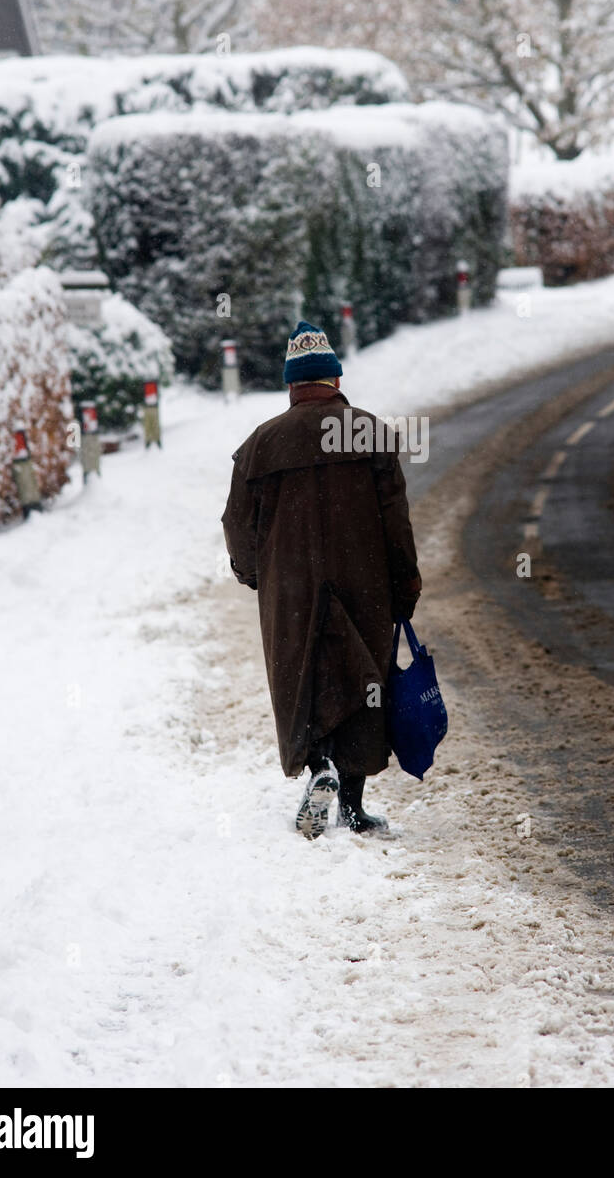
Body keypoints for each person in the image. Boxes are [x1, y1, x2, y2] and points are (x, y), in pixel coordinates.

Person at [221, 321, 422, 839]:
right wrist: (405, 586)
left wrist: (254, 575)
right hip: (366, 584)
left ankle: (319, 770)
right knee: (363, 681)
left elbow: (236, 525)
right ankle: (353, 805)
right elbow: (396, 522)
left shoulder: (259, 446)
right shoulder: (370, 433)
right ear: (334, 378)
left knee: (303, 678)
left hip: (291, 590)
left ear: (292, 385)